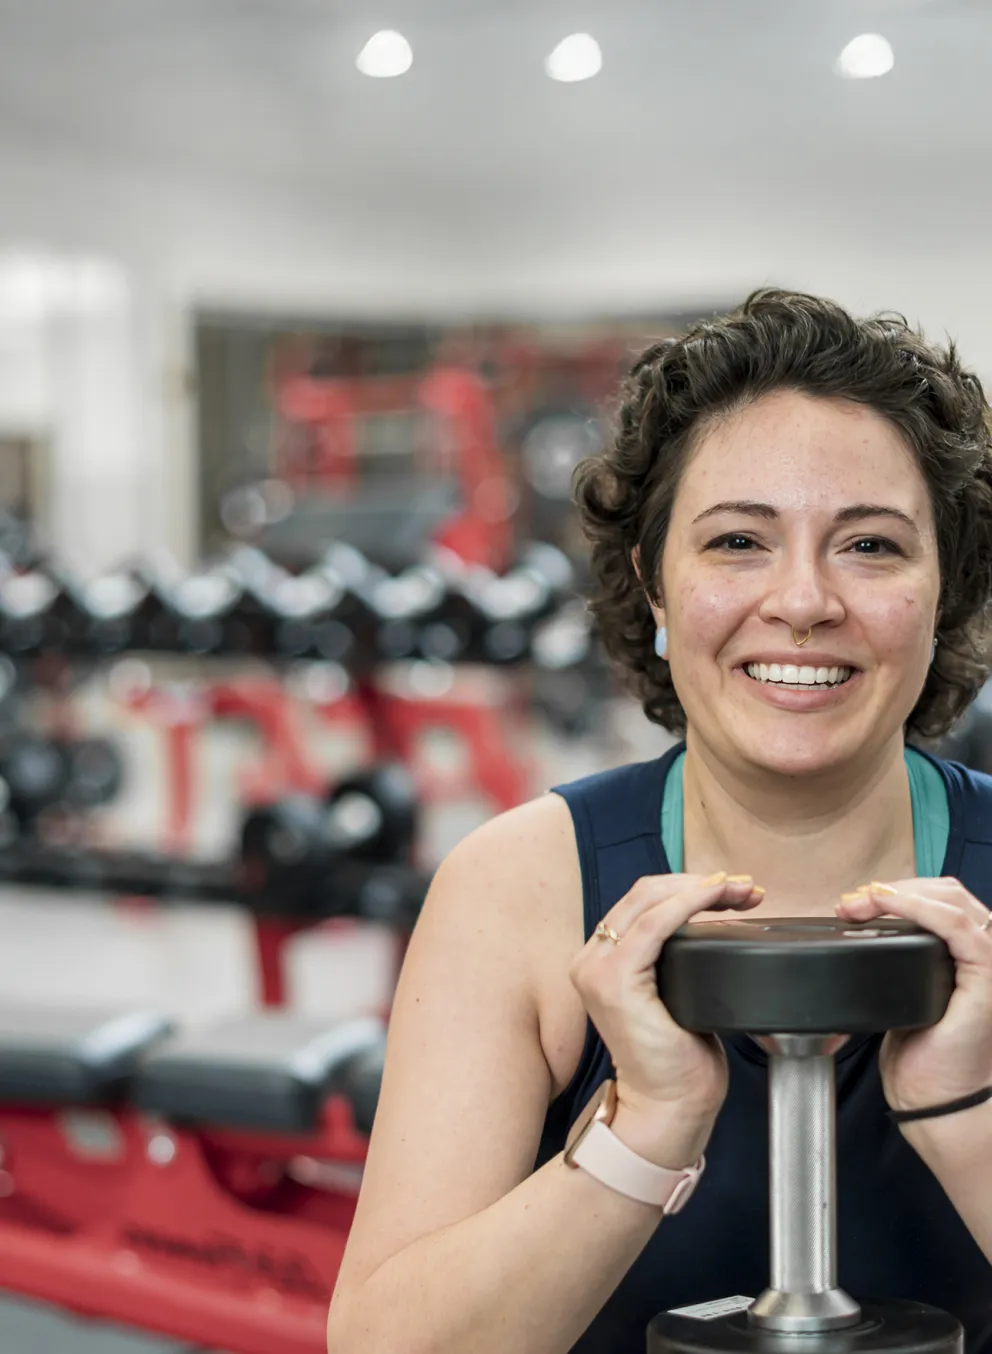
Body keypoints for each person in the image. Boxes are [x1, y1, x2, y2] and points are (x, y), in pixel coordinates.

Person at [325, 289, 992, 1354]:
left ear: (944, 585)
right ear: (654, 585)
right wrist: (643, 1131)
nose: (803, 599)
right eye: (736, 540)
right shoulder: (518, 889)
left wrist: (966, 1121)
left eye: (869, 546)